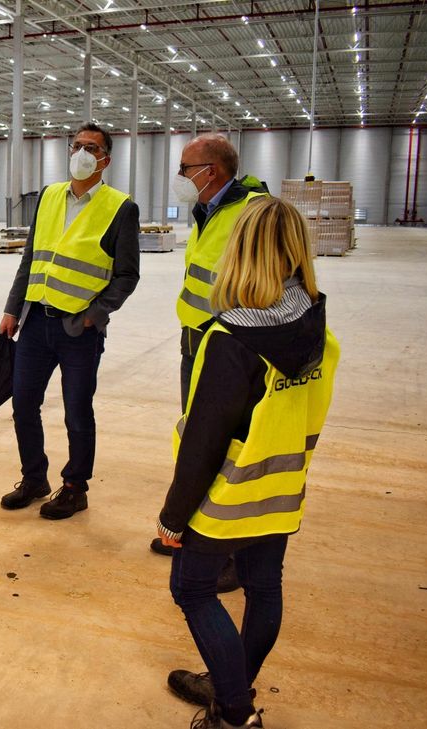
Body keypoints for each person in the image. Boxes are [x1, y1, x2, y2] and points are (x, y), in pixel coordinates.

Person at [156, 197, 340, 728]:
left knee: (190, 589)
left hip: (230, 492)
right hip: (283, 486)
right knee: (264, 586)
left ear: (240, 254)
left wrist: (173, 516)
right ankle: (231, 679)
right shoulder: (312, 322)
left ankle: (234, 712)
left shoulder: (232, 339)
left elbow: (204, 442)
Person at [0, 122, 140, 519]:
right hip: (35, 322)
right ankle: (34, 478)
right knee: (24, 404)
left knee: (77, 411)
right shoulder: (48, 196)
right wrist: (12, 309)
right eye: (76, 145)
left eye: (91, 148)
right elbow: (31, 257)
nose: (81, 152)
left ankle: (76, 487)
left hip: (79, 330)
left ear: (105, 159)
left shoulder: (120, 207)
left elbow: (127, 274)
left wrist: (96, 315)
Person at [150, 134, 270, 592]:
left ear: (212, 171)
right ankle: (195, 532)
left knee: (227, 446)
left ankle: (231, 554)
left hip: (233, 345)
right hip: (197, 338)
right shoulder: (208, 208)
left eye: (185, 168)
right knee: (195, 439)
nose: (180, 177)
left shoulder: (253, 212)